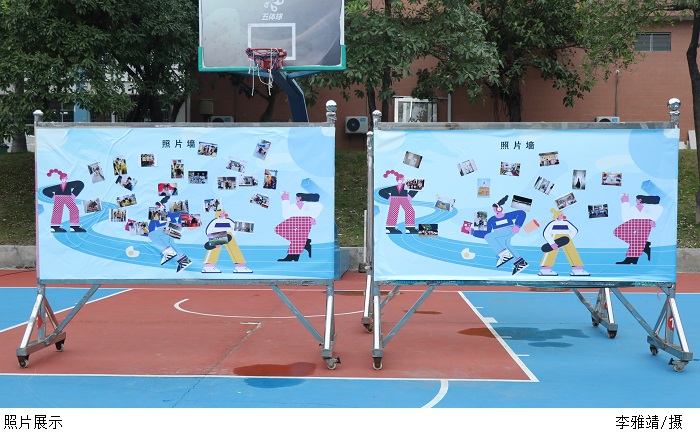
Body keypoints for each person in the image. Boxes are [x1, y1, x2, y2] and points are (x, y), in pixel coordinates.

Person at [463, 195, 528, 275]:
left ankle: (503, 255)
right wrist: (472, 231)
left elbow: (521, 213)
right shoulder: (492, 220)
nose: (496, 210)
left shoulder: (508, 215)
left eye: (497, 208)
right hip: (499, 235)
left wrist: (517, 225)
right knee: (506, 245)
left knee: (489, 237)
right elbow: (486, 232)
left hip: (509, 230)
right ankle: (519, 263)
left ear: (500, 208)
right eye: (494, 209)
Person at [613, 194, 663, 264]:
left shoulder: (651, 207)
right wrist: (625, 203)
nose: (635, 200)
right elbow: (625, 218)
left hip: (646, 223)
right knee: (618, 231)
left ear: (640, 200)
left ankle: (631, 259)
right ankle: (644, 245)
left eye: (636, 199)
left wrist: (653, 219)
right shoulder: (633, 208)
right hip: (633, 221)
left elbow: (659, 209)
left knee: (639, 239)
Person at [539, 208, 589, 276]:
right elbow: (546, 233)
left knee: (572, 252)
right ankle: (545, 270)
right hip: (555, 237)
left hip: (566, 237)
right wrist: (552, 243)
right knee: (551, 252)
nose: (562, 216)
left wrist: (568, 238)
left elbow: (574, 230)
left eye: (562, 215)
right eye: (560, 215)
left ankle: (578, 270)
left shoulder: (566, 223)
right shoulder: (553, 223)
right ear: (557, 216)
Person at [275, 191, 323, 261]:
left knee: (297, 238)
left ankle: (292, 256)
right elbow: (286, 216)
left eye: (296, 197)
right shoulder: (294, 206)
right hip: (296, 220)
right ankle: (304, 243)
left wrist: (285, 200)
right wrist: (285, 200)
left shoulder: (312, 205)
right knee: (280, 229)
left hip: (304, 221)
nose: (295, 198)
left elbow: (286, 215)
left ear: (300, 197)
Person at [201, 207, 252, 273]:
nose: (222, 214)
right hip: (217, 236)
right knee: (214, 249)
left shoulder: (228, 221)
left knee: (234, 248)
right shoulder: (215, 221)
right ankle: (208, 267)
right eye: (221, 213)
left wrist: (248, 227)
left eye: (223, 213)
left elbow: (236, 228)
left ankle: (240, 266)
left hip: (228, 236)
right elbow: (209, 230)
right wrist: (212, 237)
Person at [147, 202, 191, 273]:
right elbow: (152, 225)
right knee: (170, 243)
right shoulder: (156, 215)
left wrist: (179, 223)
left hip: (174, 228)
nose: (157, 208)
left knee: (153, 235)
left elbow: (183, 212)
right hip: (169, 229)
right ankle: (184, 261)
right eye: (156, 207)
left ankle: (168, 253)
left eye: (158, 206)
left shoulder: (169, 213)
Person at [42, 168, 86, 233]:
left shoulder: (69, 184)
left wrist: (73, 195)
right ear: (60, 179)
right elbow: (45, 190)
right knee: (57, 211)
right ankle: (55, 227)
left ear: (67, 178)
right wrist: (53, 196)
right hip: (59, 198)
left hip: (68, 197)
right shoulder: (57, 186)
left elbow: (80, 184)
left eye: (65, 178)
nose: (64, 179)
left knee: (74, 209)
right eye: (63, 178)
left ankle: (74, 226)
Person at [378, 169, 418, 234]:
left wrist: (409, 196)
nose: (401, 180)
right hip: (395, 199)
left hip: (404, 199)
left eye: (402, 179)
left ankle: (410, 228)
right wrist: (389, 197)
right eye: (400, 179)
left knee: (410, 210)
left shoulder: (406, 185)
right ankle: (390, 228)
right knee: (393, 212)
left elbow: (416, 187)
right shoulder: (393, 187)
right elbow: (381, 191)